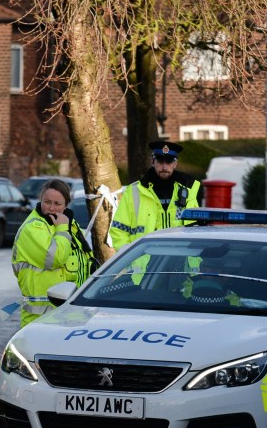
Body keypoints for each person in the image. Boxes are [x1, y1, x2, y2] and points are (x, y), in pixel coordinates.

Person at [11, 179, 96, 327]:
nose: (51, 208)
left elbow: (85, 262)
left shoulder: (71, 225)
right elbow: (56, 258)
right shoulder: (33, 228)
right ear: (40, 200)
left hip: (69, 315)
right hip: (40, 319)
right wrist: (62, 228)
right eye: (47, 202)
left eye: (57, 204)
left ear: (66, 205)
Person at [109, 140, 201, 250]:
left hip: (181, 260)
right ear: (153, 162)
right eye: (160, 162)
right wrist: (131, 259)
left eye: (169, 162)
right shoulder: (134, 191)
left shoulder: (188, 190)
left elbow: (197, 230)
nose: (164, 167)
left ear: (175, 164)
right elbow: (118, 230)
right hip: (146, 263)